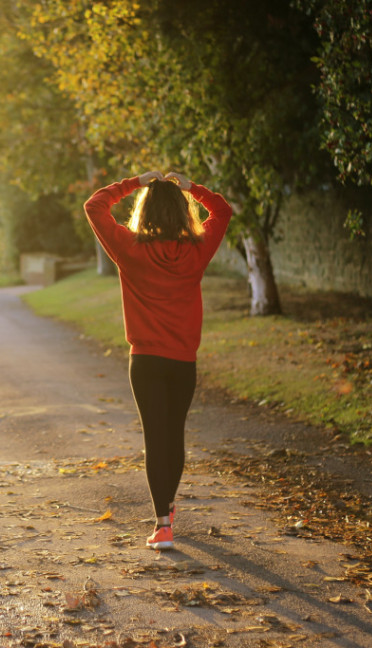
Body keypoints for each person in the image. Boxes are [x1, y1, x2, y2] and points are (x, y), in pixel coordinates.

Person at [83, 170, 233, 551]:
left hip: (145, 361)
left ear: (144, 212)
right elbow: (223, 210)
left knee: (155, 437)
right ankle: (166, 508)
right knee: (174, 434)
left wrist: (135, 182)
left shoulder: (129, 248)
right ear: (183, 214)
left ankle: (163, 524)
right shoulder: (197, 250)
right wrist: (192, 188)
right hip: (183, 361)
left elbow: (94, 205)